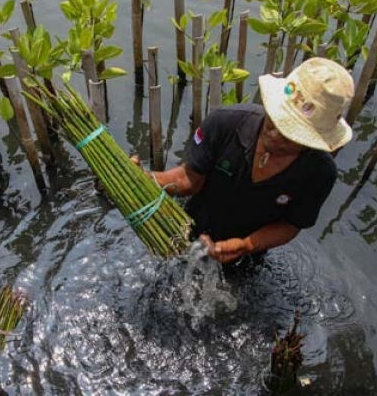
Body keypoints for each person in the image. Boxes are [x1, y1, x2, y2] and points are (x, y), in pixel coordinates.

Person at [141, 57, 355, 263]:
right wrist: (144, 177)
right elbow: (189, 178)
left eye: (289, 134)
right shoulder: (225, 123)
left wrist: (246, 245)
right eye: (276, 121)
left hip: (247, 256)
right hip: (189, 230)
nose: (275, 134)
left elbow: (290, 225)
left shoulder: (319, 173)